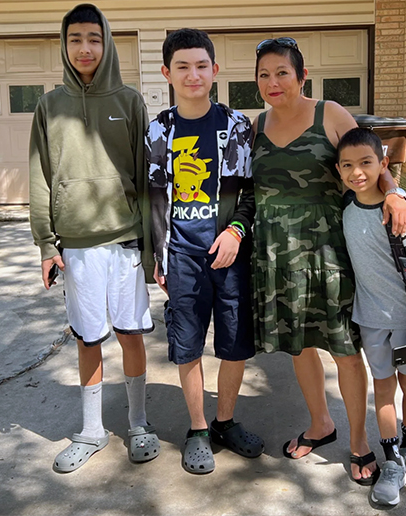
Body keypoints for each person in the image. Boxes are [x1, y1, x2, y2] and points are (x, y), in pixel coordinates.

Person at [250, 37, 406, 485]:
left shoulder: (330, 114)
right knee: (298, 345)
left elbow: (370, 159)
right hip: (276, 255)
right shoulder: (256, 125)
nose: (272, 81)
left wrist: (395, 195)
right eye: (264, 74)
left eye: (282, 72)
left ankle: (359, 442)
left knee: (343, 349)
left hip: (328, 252)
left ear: (302, 76)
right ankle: (321, 423)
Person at [29, 3, 159, 473]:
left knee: (130, 334)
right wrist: (46, 244)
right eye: (75, 39)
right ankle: (91, 431)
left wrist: (151, 250)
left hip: (124, 242)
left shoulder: (130, 102)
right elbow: (40, 177)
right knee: (88, 340)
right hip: (77, 247)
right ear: (64, 46)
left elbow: (146, 181)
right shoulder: (49, 106)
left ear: (107, 44)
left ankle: (139, 422)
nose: (85, 48)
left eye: (94, 38)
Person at [147, 28, 264, 475]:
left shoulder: (236, 126)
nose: (193, 74)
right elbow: (155, 197)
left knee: (234, 346)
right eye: (182, 66)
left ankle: (224, 421)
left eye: (201, 65)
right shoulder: (160, 129)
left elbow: (249, 192)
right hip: (182, 256)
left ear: (215, 70)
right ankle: (197, 429)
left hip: (229, 255)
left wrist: (236, 231)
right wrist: (157, 255)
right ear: (167, 73)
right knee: (187, 345)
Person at [336, 128, 406, 507]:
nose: (357, 172)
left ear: (383, 164)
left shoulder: (396, 212)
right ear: (339, 169)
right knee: (383, 390)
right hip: (370, 320)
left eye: (366, 163)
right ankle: (391, 461)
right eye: (348, 165)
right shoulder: (345, 206)